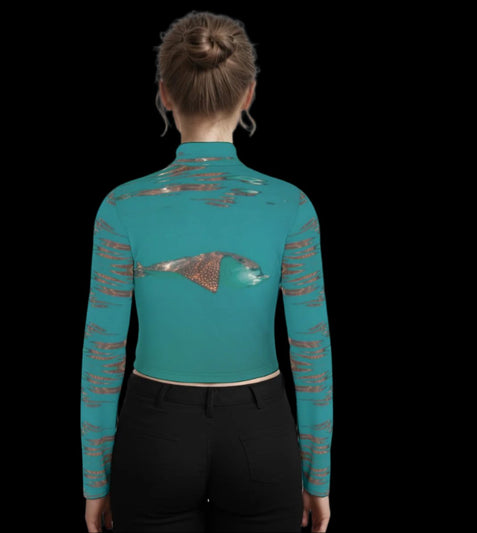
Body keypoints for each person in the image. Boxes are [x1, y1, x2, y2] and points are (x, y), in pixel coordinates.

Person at [81, 11, 333, 533]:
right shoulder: (291, 206)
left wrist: (95, 482)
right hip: (261, 435)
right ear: (249, 95)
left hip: (153, 437)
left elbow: (102, 357)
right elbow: (311, 355)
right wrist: (318, 476)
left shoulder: (121, 207)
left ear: (165, 94)